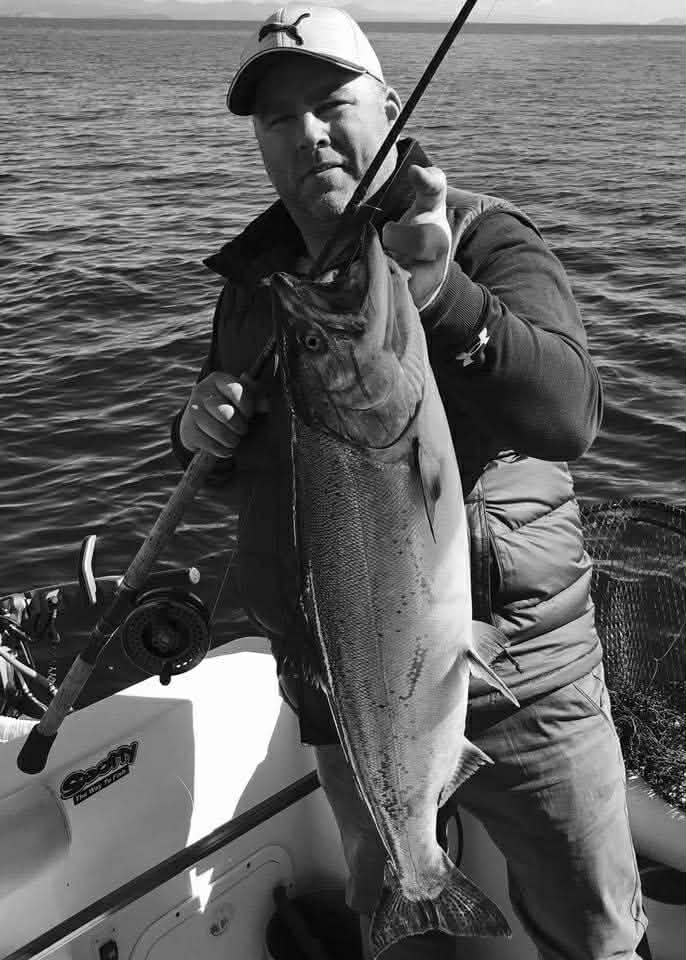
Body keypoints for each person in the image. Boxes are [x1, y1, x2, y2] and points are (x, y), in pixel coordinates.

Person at [171, 6, 648, 958]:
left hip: (522, 675)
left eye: (331, 103)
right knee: (392, 919)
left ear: (389, 107)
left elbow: (571, 416)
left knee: (594, 935)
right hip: (336, 688)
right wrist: (198, 437)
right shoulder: (258, 285)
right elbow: (248, 474)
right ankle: (417, 891)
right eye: (277, 118)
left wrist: (440, 292)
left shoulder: (480, 235)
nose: (306, 134)